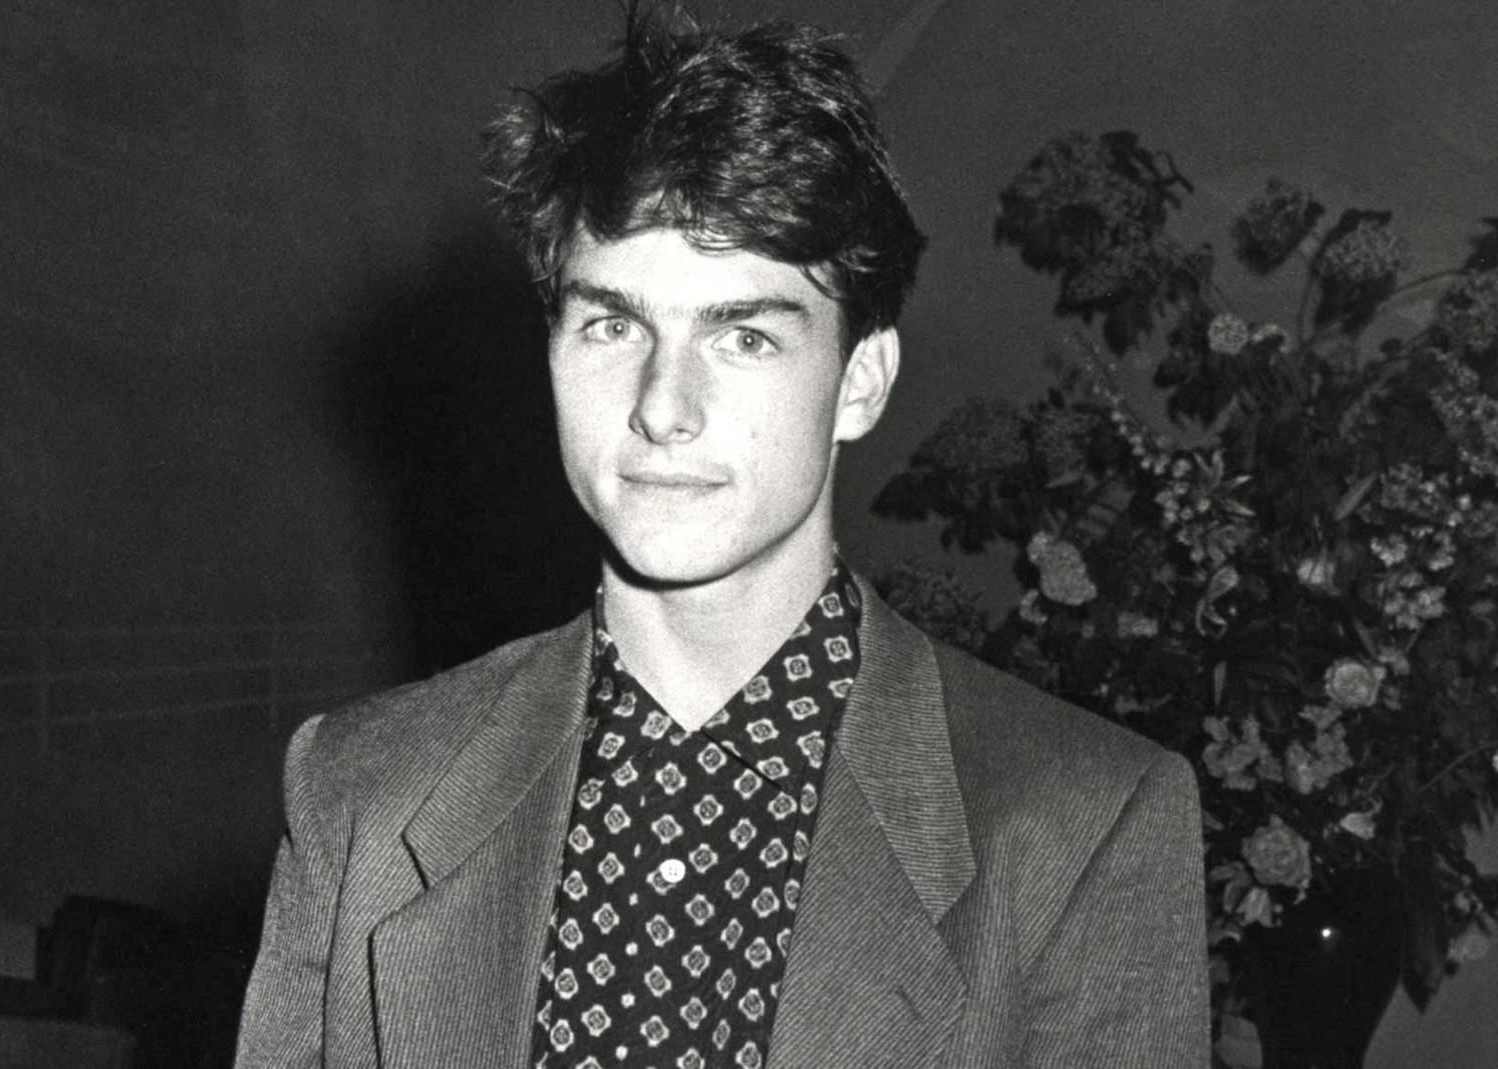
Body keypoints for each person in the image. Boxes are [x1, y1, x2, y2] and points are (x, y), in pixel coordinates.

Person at [235, 8, 1207, 1067]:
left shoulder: (1083, 824)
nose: (663, 406)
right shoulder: (361, 793)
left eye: (742, 335)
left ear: (861, 380)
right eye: (613, 325)